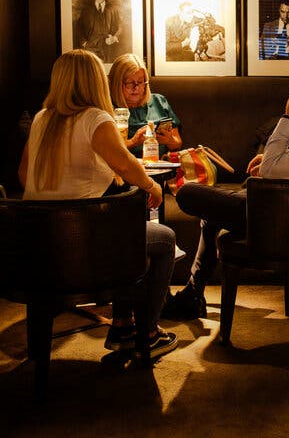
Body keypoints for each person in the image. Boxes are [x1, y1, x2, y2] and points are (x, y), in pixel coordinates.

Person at [161, 46, 289, 319]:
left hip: (281, 223)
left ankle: (189, 293)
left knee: (189, 194)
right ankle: (193, 293)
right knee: (213, 212)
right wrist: (271, 162)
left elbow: (277, 167)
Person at [18, 49, 178, 359]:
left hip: (38, 251)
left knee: (120, 231)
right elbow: (128, 166)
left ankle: (123, 325)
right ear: (95, 82)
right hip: (82, 253)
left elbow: (24, 176)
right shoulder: (96, 118)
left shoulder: (40, 119)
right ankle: (146, 331)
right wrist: (152, 188)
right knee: (162, 239)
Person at [108, 53, 183, 158]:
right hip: (126, 169)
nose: (136, 88)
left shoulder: (158, 101)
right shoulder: (108, 107)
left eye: (140, 82)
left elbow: (177, 143)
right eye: (130, 83)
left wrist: (169, 140)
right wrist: (134, 142)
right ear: (116, 83)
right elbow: (108, 150)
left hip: (160, 166)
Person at [75, 0, 122, 64]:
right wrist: (84, 42)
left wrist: (114, 38)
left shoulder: (113, 9)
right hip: (90, 46)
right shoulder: (87, 10)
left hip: (107, 46)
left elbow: (120, 26)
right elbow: (79, 27)